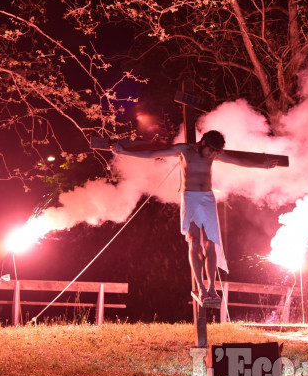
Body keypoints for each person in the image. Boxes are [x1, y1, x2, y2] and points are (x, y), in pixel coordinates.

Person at [113, 130, 278, 304]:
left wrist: (263, 164)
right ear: (203, 143)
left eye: (215, 152)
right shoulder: (184, 150)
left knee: (211, 242)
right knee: (194, 241)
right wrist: (124, 150)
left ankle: (212, 288)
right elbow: (153, 153)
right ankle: (201, 288)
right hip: (190, 197)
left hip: (207, 197)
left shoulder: (213, 154)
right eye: (210, 151)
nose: (212, 155)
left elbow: (239, 161)